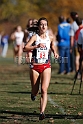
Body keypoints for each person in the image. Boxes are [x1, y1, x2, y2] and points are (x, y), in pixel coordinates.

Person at [24, 17, 59, 120]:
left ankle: (42, 112)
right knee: (36, 91)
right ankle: (33, 93)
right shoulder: (35, 37)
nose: (43, 26)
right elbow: (25, 48)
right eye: (41, 24)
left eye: (45, 24)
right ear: (38, 26)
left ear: (47, 26)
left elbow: (52, 46)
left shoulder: (51, 37)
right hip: (35, 66)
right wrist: (36, 46)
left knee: (44, 89)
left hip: (46, 66)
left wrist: (55, 52)